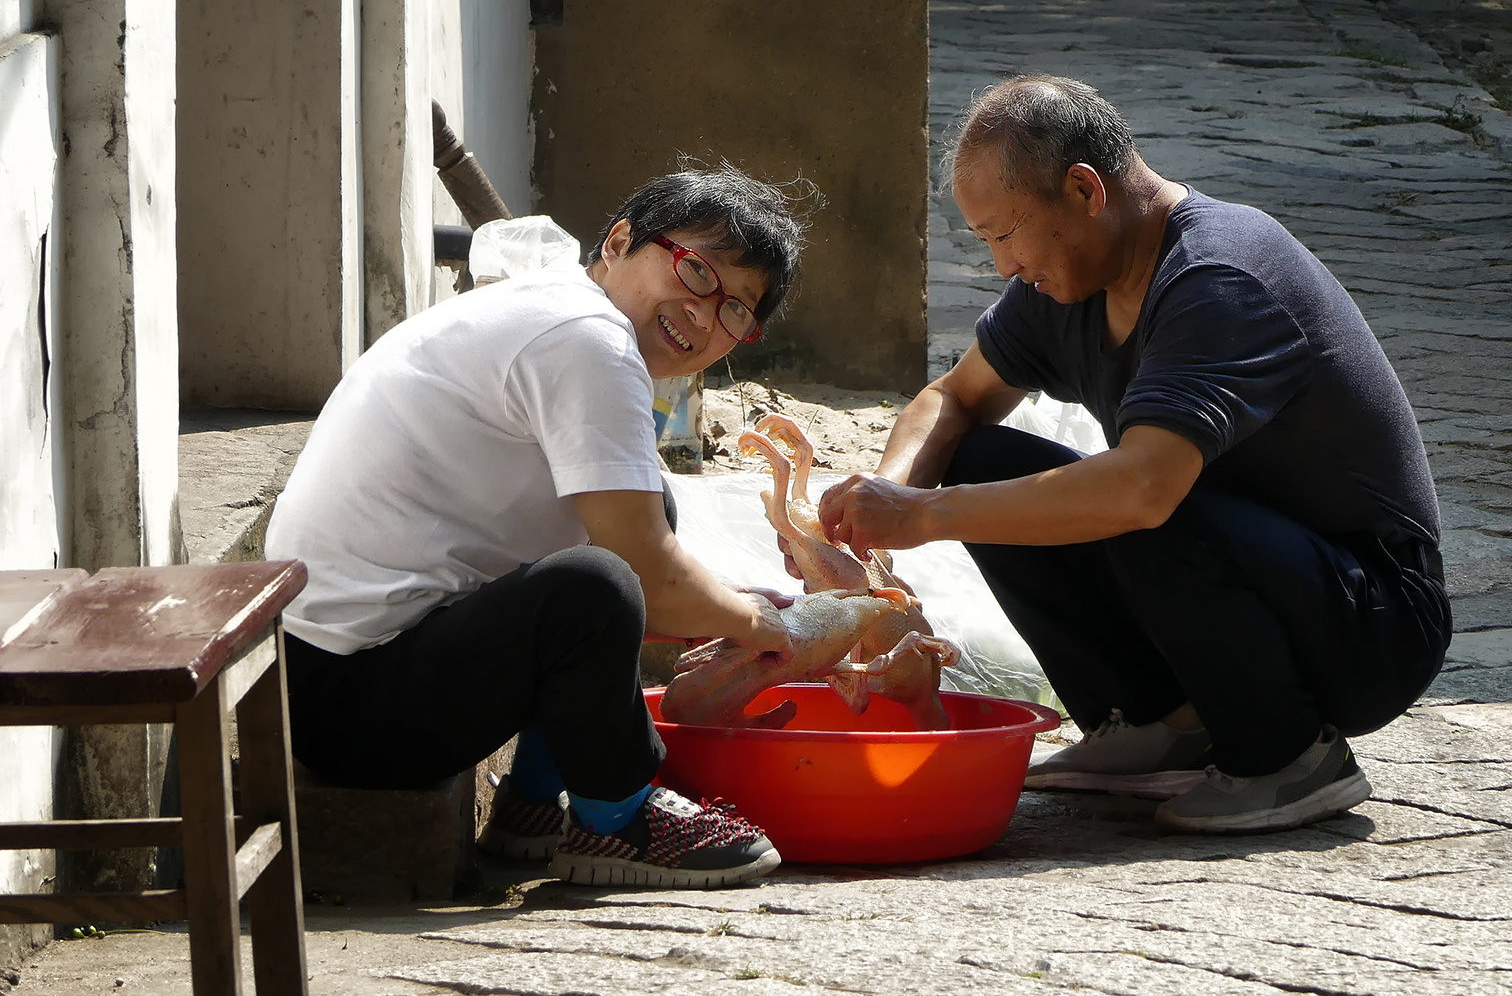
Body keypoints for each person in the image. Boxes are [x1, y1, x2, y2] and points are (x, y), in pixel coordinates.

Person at [814, 75, 1451, 834]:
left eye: (1005, 234)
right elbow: (952, 400)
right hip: (1245, 560)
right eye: (986, 241)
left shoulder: (1220, 275)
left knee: (1141, 496)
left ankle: (1287, 755)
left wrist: (926, 516)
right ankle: (1156, 724)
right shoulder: (1069, 282)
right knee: (980, 458)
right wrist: (881, 512)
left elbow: (1144, 489)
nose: (1002, 267)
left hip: (1372, 622)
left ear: (1084, 191)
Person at [266, 166, 810, 888]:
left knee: (642, 520)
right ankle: (619, 822)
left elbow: (647, 545)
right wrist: (777, 627)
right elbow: (644, 574)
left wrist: (731, 610)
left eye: (739, 309)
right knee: (597, 585)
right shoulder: (590, 340)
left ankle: (531, 806)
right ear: (618, 243)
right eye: (698, 272)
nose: (707, 316)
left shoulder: (564, 311)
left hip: (340, 676)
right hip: (351, 707)